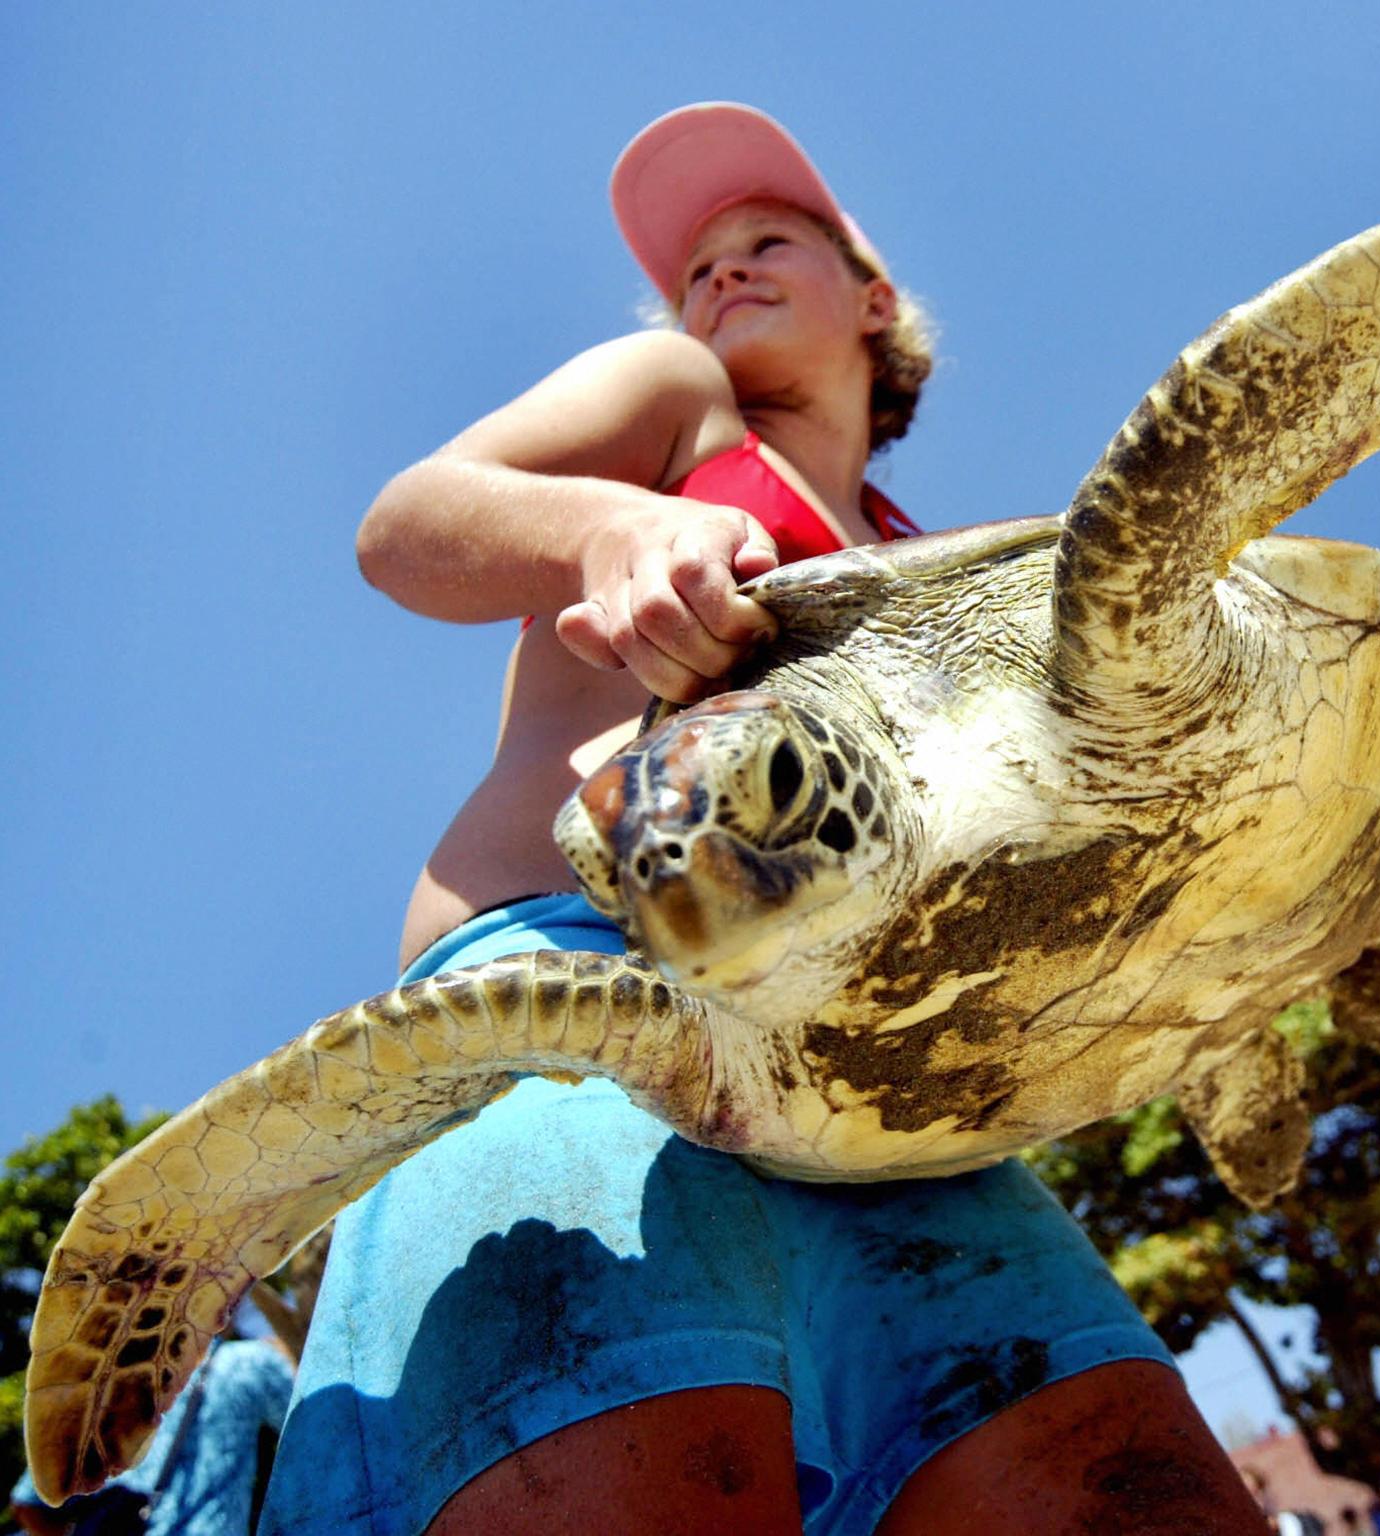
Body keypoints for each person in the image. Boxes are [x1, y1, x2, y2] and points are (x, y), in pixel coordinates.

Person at [255, 103, 1262, 1536]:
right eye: (696, 264)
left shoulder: (937, 570)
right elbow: (408, 526)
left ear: (876, 303)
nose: (716, 275)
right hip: (567, 990)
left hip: (873, 1088)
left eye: (766, 240)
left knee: (1131, 1487)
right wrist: (604, 530)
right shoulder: (678, 403)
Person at [12, 1339, 295, 1536]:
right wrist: (291, 1354)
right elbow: (324, 1435)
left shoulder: (103, 1387)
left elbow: (28, 1505)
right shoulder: (249, 1362)